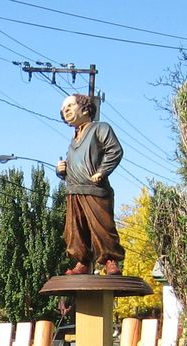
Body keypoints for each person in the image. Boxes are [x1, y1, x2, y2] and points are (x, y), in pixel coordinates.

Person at [56, 94, 125, 276]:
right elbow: (75, 164)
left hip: (95, 189)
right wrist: (61, 170)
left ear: (85, 108)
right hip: (74, 191)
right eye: (64, 109)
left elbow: (114, 150)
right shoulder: (73, 140)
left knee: (102, 227)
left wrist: (102, 171)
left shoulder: (100, 128)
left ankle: (110, 260)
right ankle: (82, 261)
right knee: (75, 230)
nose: (66, 110)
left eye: (70, 106)